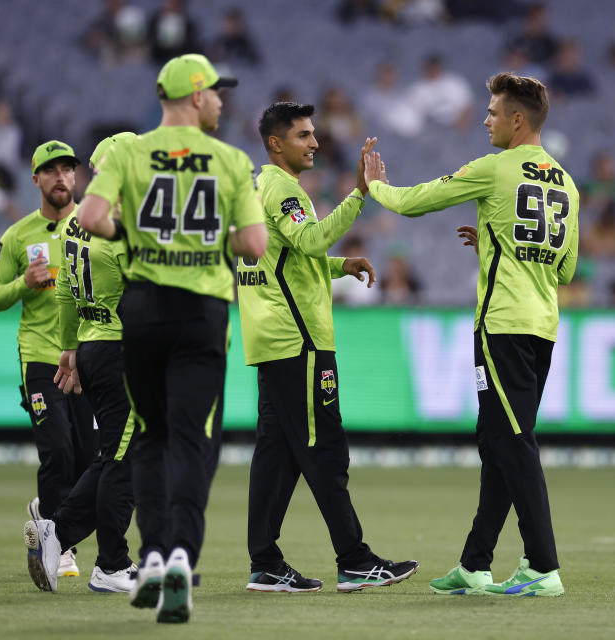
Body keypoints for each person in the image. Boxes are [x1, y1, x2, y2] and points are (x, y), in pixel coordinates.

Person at [363, 72, 578, 597]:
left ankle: (541, 566)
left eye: (492, 112)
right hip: (542, 326)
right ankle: (475, 564)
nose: (485, 120)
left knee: (513, 444)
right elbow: (565, 270)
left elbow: (416, 202)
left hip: (501, 325)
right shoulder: (567, 183)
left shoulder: (496, 169)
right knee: (499, 444)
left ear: (517, 119)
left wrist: (375, 187)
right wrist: (494, 242)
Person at [75, 53, 266, 624]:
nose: (222, 102)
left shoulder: (130, 152)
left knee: (152, 438)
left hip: (144, 308)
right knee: (189, 441)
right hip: (201, 311)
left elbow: (89, 216)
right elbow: (254, 244)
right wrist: (205, 241)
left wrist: (137, 236)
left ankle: (153, 558)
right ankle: (181, 558)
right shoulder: (229, 160)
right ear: (196, 95)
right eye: (217, 93)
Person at [237, 102, 418, 594]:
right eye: (303, 135)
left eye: (313, 134)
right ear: (276, 143)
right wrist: (359, 194)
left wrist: (341, 266)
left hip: (272, 339)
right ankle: (355, 560)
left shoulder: (256, 189)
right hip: (301, 342)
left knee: (277, 455)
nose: (315, 142)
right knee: (325, 451)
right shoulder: (282, 189)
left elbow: (287, 257)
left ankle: (265, 563)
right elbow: (311, 239)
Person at [23, 133, 140, 595]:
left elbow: (68, 294)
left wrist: (70, 350)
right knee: (120, 460)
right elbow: (143, 299)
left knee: (113, 454)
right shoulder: (123, 222)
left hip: (92, 347)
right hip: (122, 352)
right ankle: (109, 562)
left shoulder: (78, 223)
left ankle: (61, 533)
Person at [0, 141, 98, 582]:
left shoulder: (94, 225)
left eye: (68, 169)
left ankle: (45, 513)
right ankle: (60, 546)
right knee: (58, 454)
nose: (61, 177)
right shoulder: (17, 235)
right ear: (36, 179)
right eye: (50, 171)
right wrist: (22, 286)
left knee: (90, 461)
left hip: (86, 360)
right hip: (40, 360)